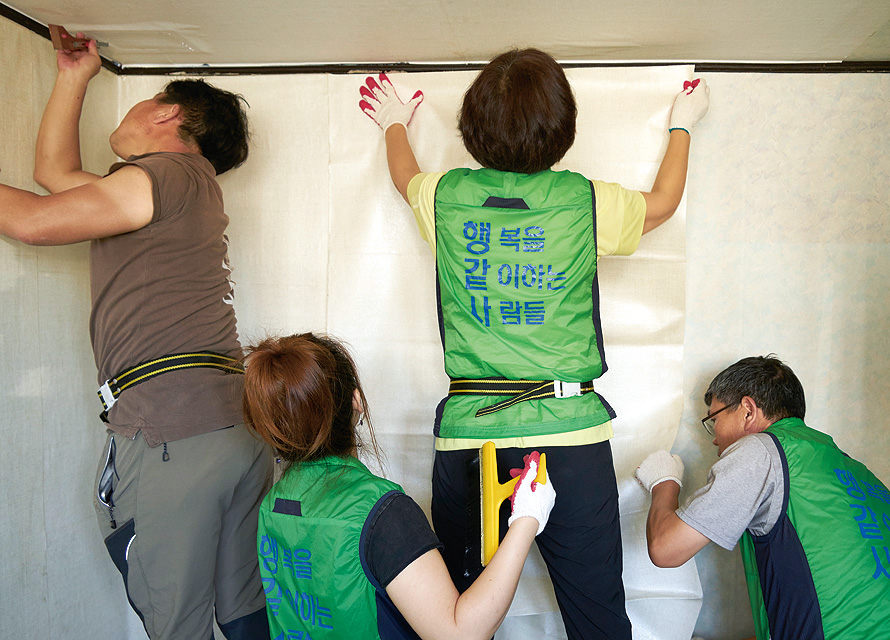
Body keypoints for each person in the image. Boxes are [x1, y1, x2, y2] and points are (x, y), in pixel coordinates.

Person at [357, 47, 709, 639]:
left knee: (461, 617)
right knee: (598, 620)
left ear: (471, 127)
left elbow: (403, 177)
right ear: (563, 130)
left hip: (471, 438)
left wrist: (394, 119)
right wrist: (682, 121)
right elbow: (665, 203)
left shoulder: (445, 196)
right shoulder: (584, 200)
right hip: (569, 437)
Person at [0, 37, 272, 639]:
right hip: (232, 430)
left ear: (166, 113)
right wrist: (75, 77)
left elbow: (32, 220)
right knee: (240, 606)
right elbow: (54, 178)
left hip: (173, 432)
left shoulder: (165, 174)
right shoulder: (184, 188)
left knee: (175, 621)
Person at [242, 333, 556, 639]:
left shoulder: (274, 504)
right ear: (355, 400)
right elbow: (461, 634)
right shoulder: (380, 514)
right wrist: (527, 518)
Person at [635, 355, 890, 639]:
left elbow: (666, 549)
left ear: (747, 411)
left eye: (713, 419)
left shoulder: (759, 450)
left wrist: (664, 482)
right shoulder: (849, 469)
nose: (715, 438)